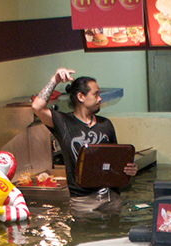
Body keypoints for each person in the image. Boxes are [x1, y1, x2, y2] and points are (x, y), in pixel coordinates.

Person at [32, 68, 137, 214]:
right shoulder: (63, 122)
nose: (100, 99)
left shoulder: (106, 124)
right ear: (81, 97)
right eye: (95, 94)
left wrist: (128, 170)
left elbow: (115, 160)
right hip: (82, 202)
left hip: (111, 198)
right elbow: (37, 107)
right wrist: (54, 80)